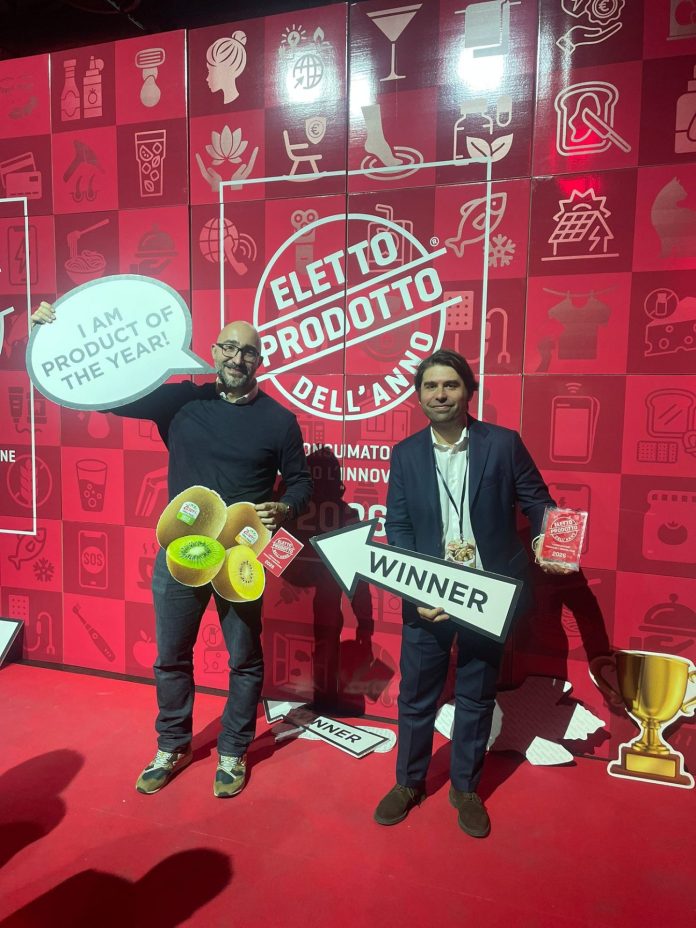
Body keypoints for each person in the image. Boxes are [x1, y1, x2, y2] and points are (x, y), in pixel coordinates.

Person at [31, 302, 312, 798]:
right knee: (171, 657)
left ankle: (232, 749)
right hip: (180, 553)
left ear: (260, 360)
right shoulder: (182, 400)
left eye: (249, 351)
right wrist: (58, 334)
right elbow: (107, 394)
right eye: (230, 347)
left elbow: (302, 483)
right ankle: (173, 745)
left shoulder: (279, 421)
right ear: (213, 351)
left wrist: (286, 507)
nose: (238, 358)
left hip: (241, 556)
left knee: (245, 658)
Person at [374, 348, 567, 837]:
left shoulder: (502, 444)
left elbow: (538, 502)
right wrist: (414, 586)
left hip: (487, 593)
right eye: (431, 386)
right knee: (416, 696)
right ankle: (408, 782)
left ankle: (464, 787)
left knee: (477, 696)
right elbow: (399, 524)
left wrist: (548, 539)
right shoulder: (405, 453)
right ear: (419, 396)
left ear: (468, 391)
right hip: (429, 592)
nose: (440, 394)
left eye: (450, 385)